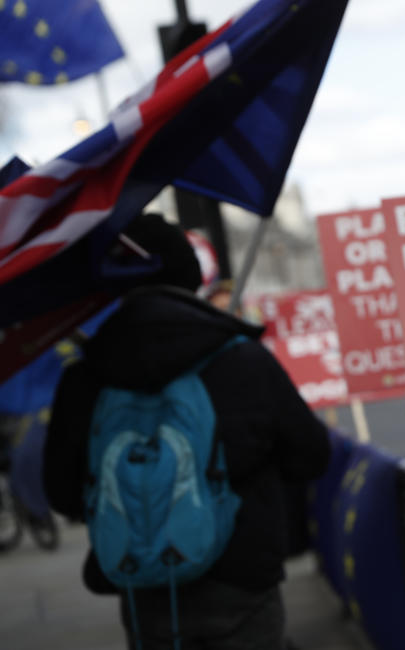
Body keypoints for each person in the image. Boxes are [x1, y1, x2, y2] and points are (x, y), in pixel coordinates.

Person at [44, 213, 331, 649]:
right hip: (242, 574)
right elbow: (312, 454)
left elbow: (61, 493)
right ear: (192, 275)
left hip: (142, 583)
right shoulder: (241, 359)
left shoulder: (85, 376)